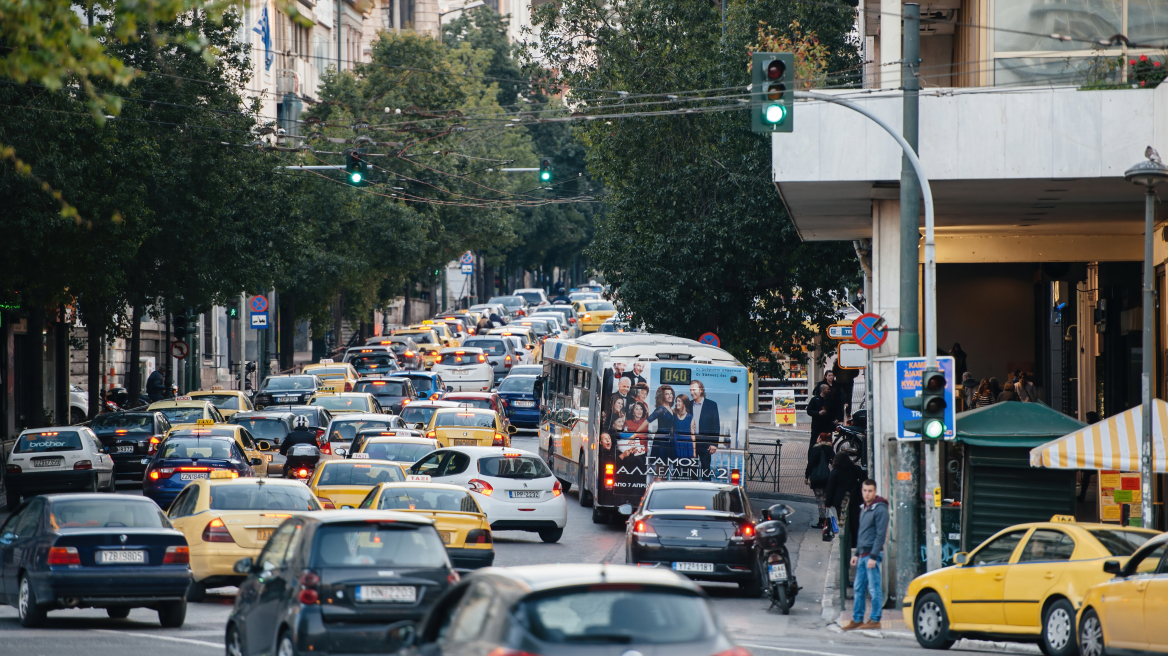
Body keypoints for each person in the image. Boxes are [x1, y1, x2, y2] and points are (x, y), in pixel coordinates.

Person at [842, 480, 889, 631]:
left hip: (871, 555)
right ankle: (857, 619)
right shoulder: (864, 508)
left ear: (875, 492)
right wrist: (856, 553)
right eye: (864, 490)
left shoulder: (880, 509)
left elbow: (880, 535)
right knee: (858, 588)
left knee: (874, 589)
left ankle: (875, 619)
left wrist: (874, 557)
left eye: (870, 491)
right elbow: (862, 533)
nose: (867, 493)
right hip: (863, 554)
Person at [826, 450, 863, 543]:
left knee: (843, 522)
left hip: (840, 501)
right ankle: (855, 541)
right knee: (855, 522)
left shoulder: (835, 472)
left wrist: (828, 503)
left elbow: (830, 488)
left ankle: (846, 542)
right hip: (855, 499)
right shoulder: (856, 469)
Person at [689, 380, 721, 473]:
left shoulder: (712, 405)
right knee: (692, 473)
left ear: (701, 390)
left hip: (706, 444)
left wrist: (714, 444)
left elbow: (715, 425)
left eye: (694, 389)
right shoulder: (688, 405)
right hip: (691, 444)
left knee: (706, 472)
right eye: (690, 390)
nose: (692, 392)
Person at [805, 433, 834, 528]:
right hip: (826, 476)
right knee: (825, 499)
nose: (817, 438)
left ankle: (822, 521)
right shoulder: (829, 449)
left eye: (818, 437)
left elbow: (811, 464)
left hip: (818, 478)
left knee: (820, 499)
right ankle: (827, 520)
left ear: (820, 439)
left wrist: (806, 476)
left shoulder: (816, 450)